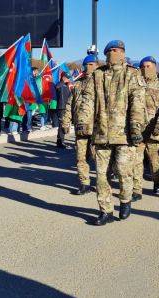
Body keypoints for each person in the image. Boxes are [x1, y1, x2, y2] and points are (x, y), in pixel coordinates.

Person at [77, 40, 145, 226]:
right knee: (101, 175)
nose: (113, 54)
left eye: (117, 51)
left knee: (124, 171)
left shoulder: (132, 74)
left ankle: (125, 199)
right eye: (110, 51)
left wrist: (136, 128)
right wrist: (83, 121)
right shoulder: (97, 75)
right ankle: (105, 210)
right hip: (101, 134)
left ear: (123, 53)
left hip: (125, 135)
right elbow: (88, 100)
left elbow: (138, 103)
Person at [132, 56, 159, 201]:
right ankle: (137, 190)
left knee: (155, 161)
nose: (145, 69)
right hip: (137, 129)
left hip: (155, 129)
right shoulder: (135, 85)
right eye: (142, 66)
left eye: (148, 66)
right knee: (136, 160)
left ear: (155, 67)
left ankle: (157, 182)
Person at [62, 54, 98, 194]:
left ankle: (103, 182)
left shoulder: (101, 83)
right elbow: (69, 104)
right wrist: (65, 122)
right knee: (80, 158)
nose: (88, 67)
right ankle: (84, 184)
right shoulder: (77, 84)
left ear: (96, 65)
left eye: (91, 64)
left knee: (99, 158)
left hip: (96, 128)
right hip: (80, 128)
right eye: (86, 65)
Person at [55, 73, 72, 148]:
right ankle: (60, 142)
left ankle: (61, 141)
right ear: (63, 77)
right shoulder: (60, 85)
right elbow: (57, 87)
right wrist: (63, 82)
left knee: (64, 125)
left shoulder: (67, 85)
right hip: (61, 107)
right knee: (62, 125)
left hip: (66, 107)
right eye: (67, 77)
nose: (69, 79)